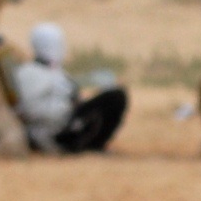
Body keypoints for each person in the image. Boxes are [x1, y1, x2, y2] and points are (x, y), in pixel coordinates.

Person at [13, 18, 127, 154]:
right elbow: (30, 110)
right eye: (52, 43)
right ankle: (84, 144)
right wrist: (67, 110)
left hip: (68, 121)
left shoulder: (56, 71)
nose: (58, 48)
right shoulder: (29, 73)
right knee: (114, 98)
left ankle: (94, 143)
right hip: (55, 132)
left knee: (114, 97)